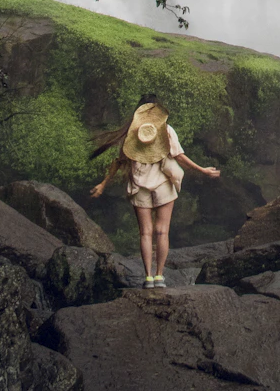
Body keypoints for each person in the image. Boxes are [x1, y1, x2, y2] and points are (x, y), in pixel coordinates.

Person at [89, 100, 220, 287]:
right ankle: (160, 276)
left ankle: (148, 277)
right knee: (162, 231)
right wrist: (202, 170)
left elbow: (118, 162)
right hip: (163, 185)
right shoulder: (166, 130)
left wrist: (103, 184)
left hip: (138, 186)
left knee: (145, 233)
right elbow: (179, 156)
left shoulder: (132, 132)